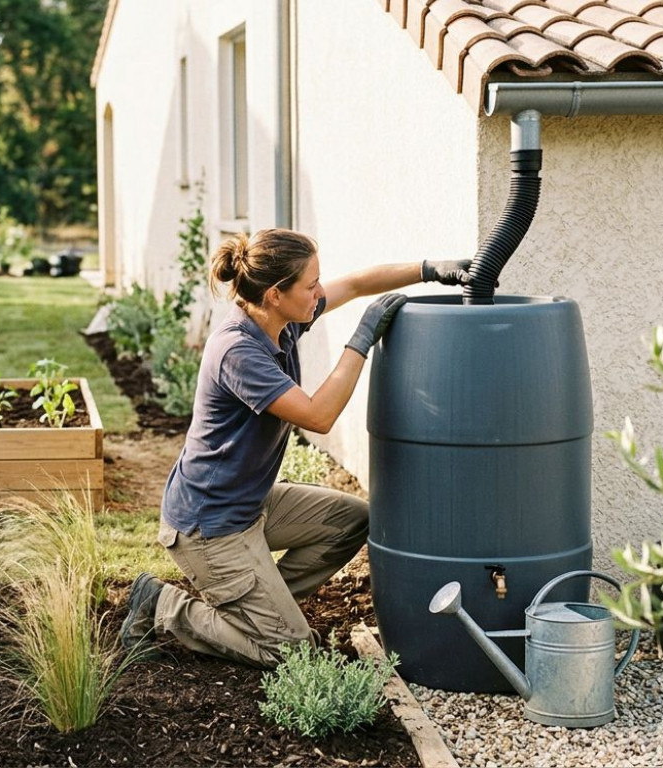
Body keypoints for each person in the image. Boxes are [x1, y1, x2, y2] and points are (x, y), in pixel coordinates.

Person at [119, 227, 472, 667]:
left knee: (350, 521)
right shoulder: (238, 350)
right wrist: (361, 338)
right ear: (274, 295)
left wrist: (430, 270)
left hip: (249, 505)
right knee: (289, 651)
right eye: (311, 286)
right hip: (209, 526)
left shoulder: (280, 321)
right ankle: (162, 607)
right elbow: (317, 415)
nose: (320, 294)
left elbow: (360, 283)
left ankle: (259, 604)